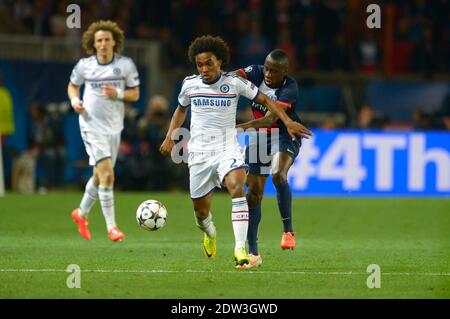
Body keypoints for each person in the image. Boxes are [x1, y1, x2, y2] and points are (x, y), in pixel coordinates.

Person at [159, 35, 311, 268]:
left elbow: (268, 104)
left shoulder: (243, 84)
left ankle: (243, 249)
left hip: (234, 146)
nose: (204, 69)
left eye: (209, 63)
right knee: (201, 214)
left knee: (240, 187)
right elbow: (181, 110)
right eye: (200, 64)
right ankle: (210, 233)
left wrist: (286, 122)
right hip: (200, 153)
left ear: (220, 61)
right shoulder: (190, 84)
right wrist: (171, 136)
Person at [67, 20, 140, 242]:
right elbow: (72, 85)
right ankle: (112, 228)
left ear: (115, 41)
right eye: (99, 40)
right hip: (90, 125)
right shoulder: (84, 65)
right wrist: (75, 101)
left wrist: (117, 94)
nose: (103, 44)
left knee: (99, 177)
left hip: (114, 127)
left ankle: (80, 213)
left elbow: (135, 94)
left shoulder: (126, 65)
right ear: (93, 43)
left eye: (107, 39)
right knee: (108, 174)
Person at [235, 49, 308, 268]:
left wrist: (241, 127)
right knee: (254, 195)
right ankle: (253, 253)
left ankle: (288, 231)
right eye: (266, 68)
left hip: (285, 135)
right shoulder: (256, 73)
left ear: (284, 72)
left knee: (278, 174)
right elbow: (230, 77)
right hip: (259, 139)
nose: (268, 74)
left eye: (274, 71)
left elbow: (270, 119)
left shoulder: (290, 88)